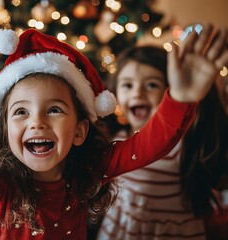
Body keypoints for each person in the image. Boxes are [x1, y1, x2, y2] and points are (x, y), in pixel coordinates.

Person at [0, 24, 226, 239]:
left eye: (54, 110)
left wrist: (180, 98)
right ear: (5, 129)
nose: (36, 122)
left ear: (80, 131)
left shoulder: (89, 170)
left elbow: (149, 145)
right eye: (20, 112)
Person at [95, 45, 228, 240]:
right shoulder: (116, 139)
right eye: (127, 85)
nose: (137, 93)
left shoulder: (181, 146)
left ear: (170, 90)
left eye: (152, 85)